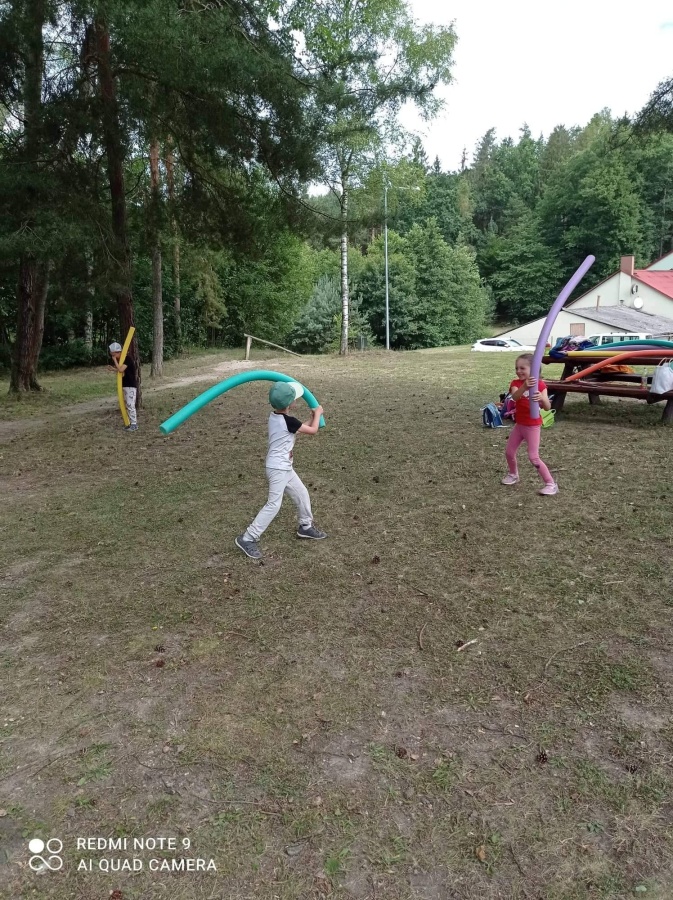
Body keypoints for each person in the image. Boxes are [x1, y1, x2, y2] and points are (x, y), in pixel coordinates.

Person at [236, 381, 327, 559]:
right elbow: (313, 430)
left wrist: (312, 418)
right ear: (289, 404)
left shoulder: (276, 417)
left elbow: (299, 429)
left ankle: (305, 526)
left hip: (283, 467)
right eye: (294, 399)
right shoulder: (289, 421)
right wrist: (317, 414)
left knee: (302, 493)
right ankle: (248, 538)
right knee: (273, 505)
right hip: (278, 468)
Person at [501, 353, 558, 496]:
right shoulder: (516, 383)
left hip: (532, 426)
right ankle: (513, 474)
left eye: (522, 368)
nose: (518, 371)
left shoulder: (540, 385)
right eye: (517, 368)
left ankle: (551, 484)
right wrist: (525, 387)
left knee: (533, 457)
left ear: (533, 369)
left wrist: (542, 399)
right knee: (509, 452)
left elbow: (547, 407)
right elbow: (515, 397)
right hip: (519, 425)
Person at [108, 342, 138, 432]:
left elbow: (121, 370)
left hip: (130, 385)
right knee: (127, 404)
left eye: (114, 355)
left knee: (130, 404)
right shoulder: (122, 360)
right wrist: (113, 369)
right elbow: (122, 372)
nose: (113, 357)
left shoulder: (127, 359)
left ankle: (134, 424)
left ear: (118, 352)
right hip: (125, 385)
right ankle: (129, 423)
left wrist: (115, 360)